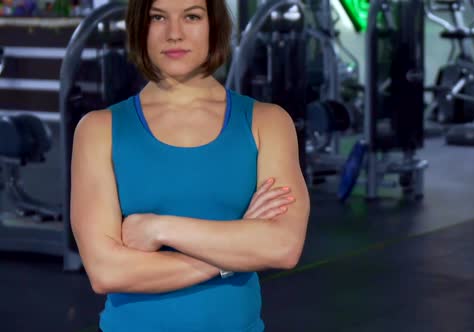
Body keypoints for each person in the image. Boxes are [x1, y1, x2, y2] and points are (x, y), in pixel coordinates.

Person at [69, 0, 310, 331]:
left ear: (215, 26)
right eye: (158, 17)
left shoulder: (266, 123)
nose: (175, 33)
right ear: (141, 26)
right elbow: (106, 271)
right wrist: (235, 251)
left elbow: (283, 247)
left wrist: (159, 228)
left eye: (192, 16)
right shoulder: (98, 130)